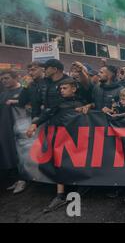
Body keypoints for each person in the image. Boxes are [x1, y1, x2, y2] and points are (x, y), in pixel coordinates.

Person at [26, 78, 87, 213]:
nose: (62, 91)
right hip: (61, 139)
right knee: (60, 163)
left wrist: (89, 106)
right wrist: (34, 124)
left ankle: (79, 187)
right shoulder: (57, 103)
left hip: (77, 139)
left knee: (77, 162)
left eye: (65, 88)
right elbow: (45, 115)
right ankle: (60, 195)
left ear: (74, 89)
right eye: (60, 89)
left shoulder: (82, 101)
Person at [0, 70, 27, 194]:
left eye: (7, 78)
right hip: (6, 129)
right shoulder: (3, 94)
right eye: (2, 79)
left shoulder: (24, 92)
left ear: (16, 78)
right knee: (11, 153)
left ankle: (23, 180)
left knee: (22, 153)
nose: (4, 81)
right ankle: (17, 179)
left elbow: (31, 106)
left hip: (21, 128)